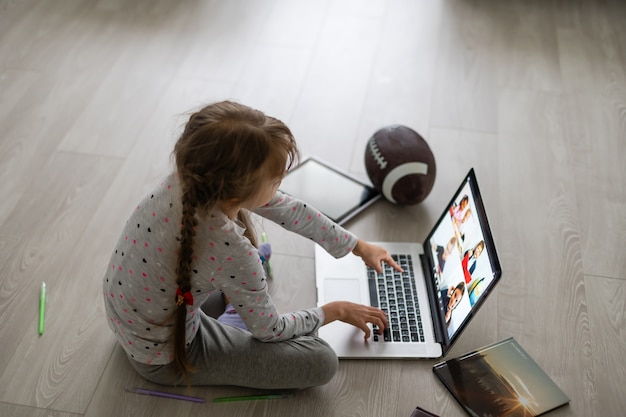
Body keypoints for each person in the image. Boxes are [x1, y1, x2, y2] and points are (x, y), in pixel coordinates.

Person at [103, 101, 401, 389]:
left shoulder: (188, 179)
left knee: (229, 287)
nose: (281, 181)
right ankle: (232, 312)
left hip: (130, 317)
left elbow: (289, 210)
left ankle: (231, 308)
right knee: (321, 360)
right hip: (161, 358)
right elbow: (271, 331)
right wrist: (335, 311)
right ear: (235, 194)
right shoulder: (232, 250)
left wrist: (358, 246)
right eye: (276, 179)